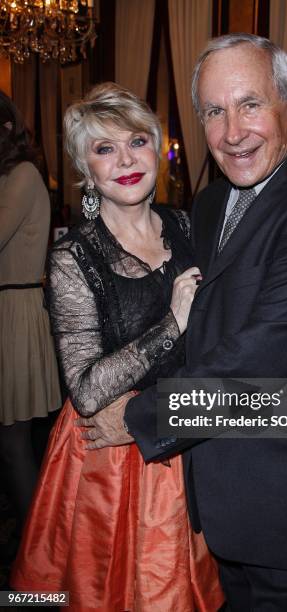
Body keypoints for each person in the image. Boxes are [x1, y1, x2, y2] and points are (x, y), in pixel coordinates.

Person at [78, 35, 287, 612]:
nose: (232, 132)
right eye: (215, 111)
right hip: (222, 500)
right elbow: (205, 329)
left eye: (250, 105)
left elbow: (258, 361)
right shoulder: (214, 202)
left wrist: (137, 417)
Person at [11, 83, 224, 612]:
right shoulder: (73, 257)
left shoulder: (189, 225)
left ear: (157, 148)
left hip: (190, 428)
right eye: (105, 149)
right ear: (85, 167)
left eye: (136, 142)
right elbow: (85, 390)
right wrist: (172, 324)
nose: (125, 160)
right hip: (108, 458)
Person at [0, 91, 61, 544]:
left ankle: (40, 544)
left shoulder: (22, 175)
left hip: (15, 311)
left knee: (14, 442)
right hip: (7, 308)